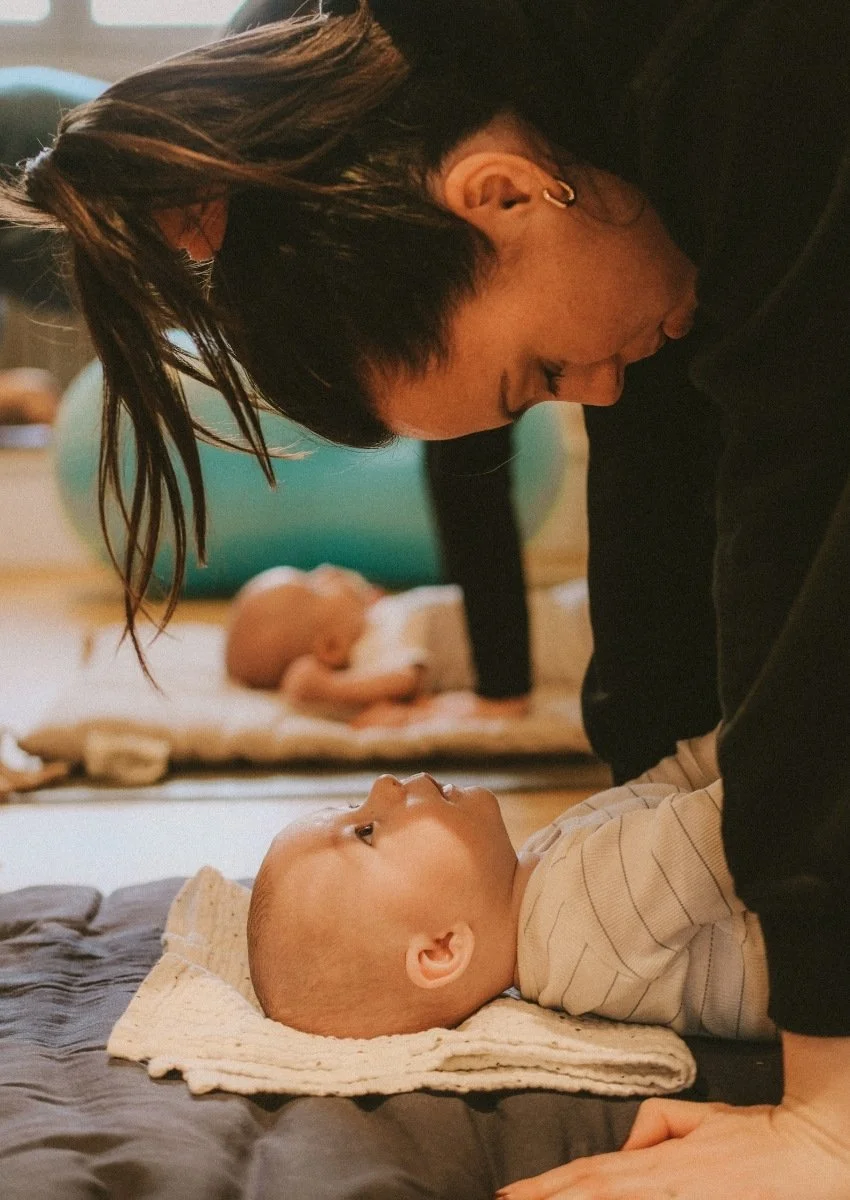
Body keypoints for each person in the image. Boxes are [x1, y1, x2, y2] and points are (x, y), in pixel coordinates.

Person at [1, 2, 848, 1195]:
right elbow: (674, 513)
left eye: (537, 375)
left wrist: (829, 1112)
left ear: (500, 194)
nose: (594, 392)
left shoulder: (754, 61)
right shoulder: (418, 70)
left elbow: (808, 495)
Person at [247, 731, 775, 1043]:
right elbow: (756, 818)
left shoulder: (542, 871)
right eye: (366, 832)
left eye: (350, 808)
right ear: (443, 949)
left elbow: (683, 775)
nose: (381, 786)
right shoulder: (584, 911)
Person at [225, 562, 590, 723]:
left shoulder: (377, 626)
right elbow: (407, 678)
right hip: (570, 637)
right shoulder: (379, 638)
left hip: (558, 612)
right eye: (313, 583)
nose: (327, 570)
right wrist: (331, 688)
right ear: (331, 646)